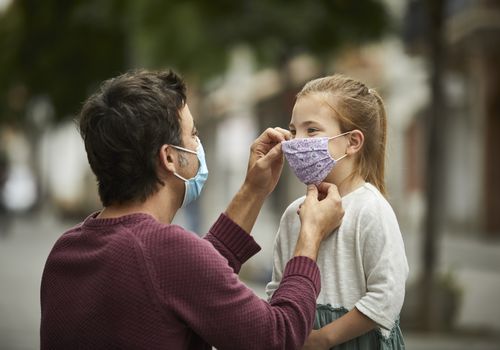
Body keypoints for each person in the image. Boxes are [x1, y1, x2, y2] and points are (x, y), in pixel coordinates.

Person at [40, 69, 345, 350]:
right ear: (170, 158)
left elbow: (189, 279)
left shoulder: (65, 251)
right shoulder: (165, 252)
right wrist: (310, 238)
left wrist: (253, 190)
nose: (198, 144)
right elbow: (277, 336)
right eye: (194, 134)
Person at [266, 74, 409, 350]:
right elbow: (276, 290)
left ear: (353, 142)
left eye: (312, 131)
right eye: (293, 130)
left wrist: (324, 338)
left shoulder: (372, 210)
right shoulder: (293, 214)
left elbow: (387, 296)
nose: (296, 142)